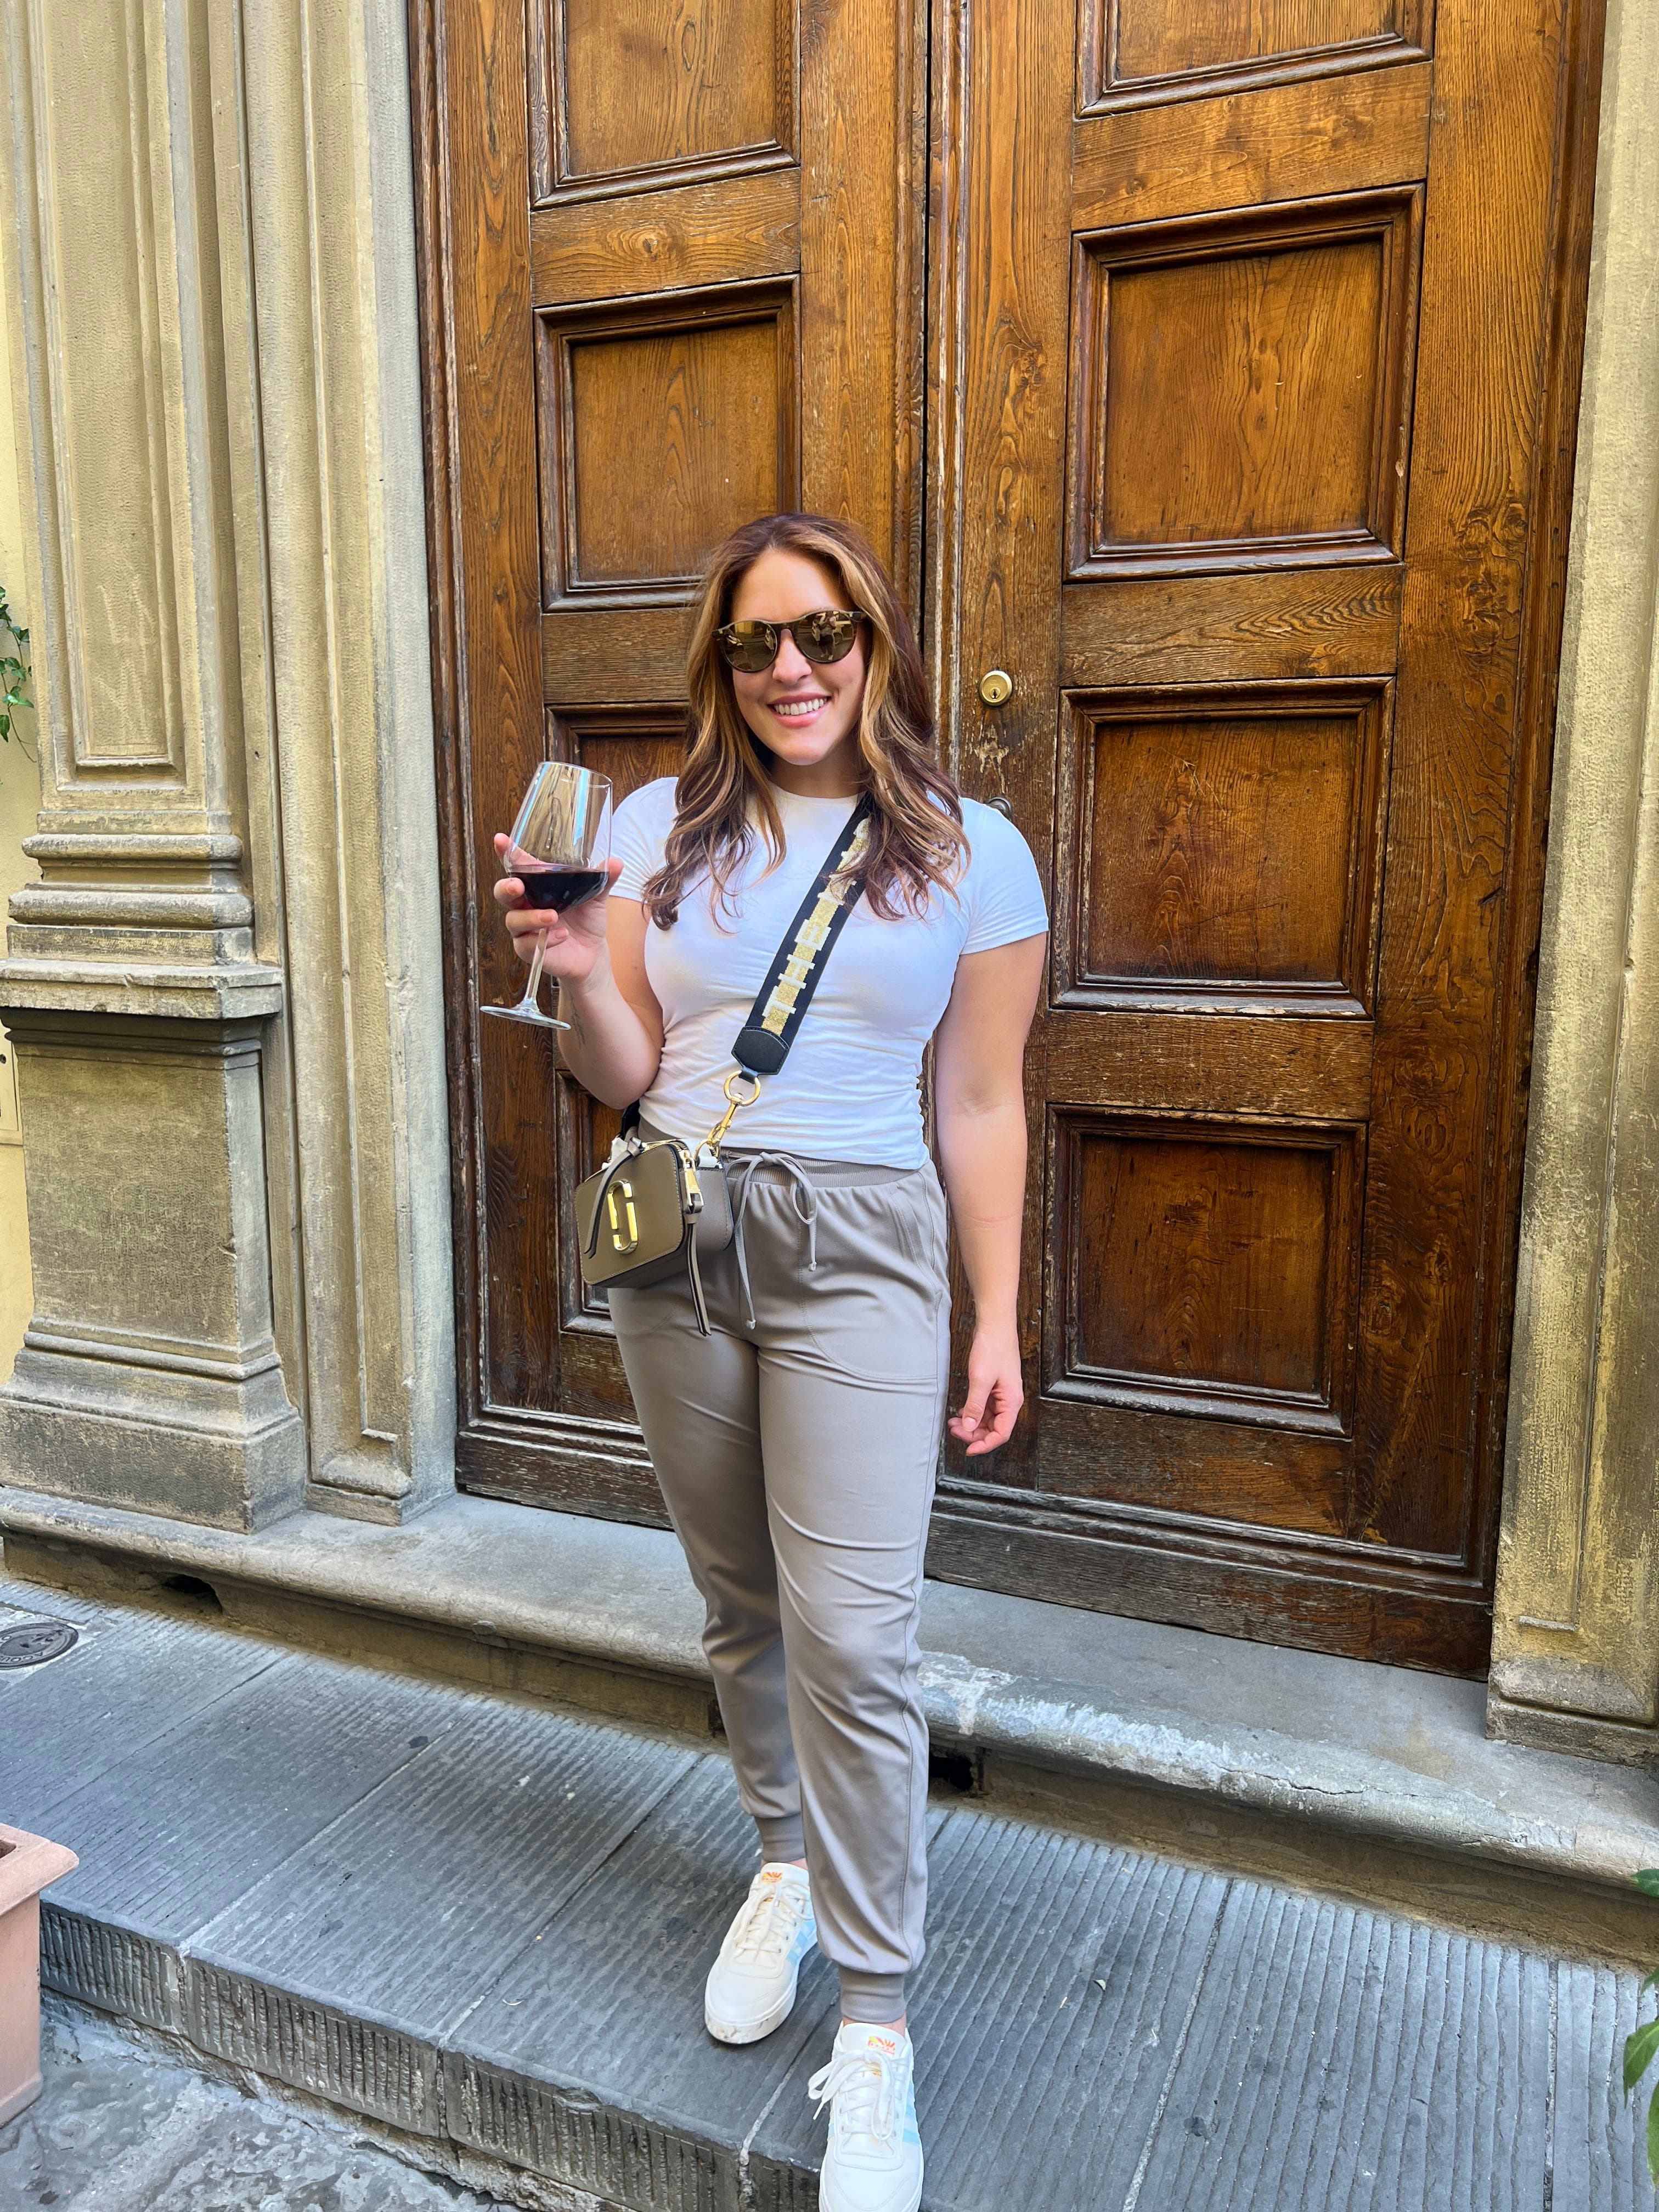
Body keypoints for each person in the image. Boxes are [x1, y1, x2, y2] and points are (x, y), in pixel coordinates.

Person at [494, 511, 1046, 2212]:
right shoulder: (660, 827)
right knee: (738, 1601)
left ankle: (872, 2027)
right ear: (718, 665)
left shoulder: (970, 851)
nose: (791, 669)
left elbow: (980, 1100)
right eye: (755, 643)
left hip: (863, 1250)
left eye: (822, 635)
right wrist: (582, 973)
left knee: (858, 1640)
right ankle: (782, 1865)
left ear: (874, 646)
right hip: (678, 1236)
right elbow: (625, 1070)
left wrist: (999, 1311)